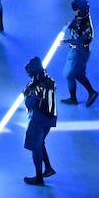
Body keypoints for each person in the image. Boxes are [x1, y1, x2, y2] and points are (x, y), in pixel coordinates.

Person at [22, 57, 57, 185]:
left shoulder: (34, 86)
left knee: (36, 148)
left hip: (38, 118)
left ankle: (39, 177)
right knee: (40, 143)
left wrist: (26, 94)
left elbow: (31, 103)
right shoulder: (50, 81)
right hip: (50, 117)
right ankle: (48, 168)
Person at [60, 0, 99, 107]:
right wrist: (69, 25)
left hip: (80, 52)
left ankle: (84, 95)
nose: (76, 12)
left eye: (77, 10)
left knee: (69, 74)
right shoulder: (81, 17)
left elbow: (81, 40)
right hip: (76, 51)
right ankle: (86, 94)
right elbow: (75, 24)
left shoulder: (85, 24)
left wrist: (65, 41)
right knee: (76, 74)